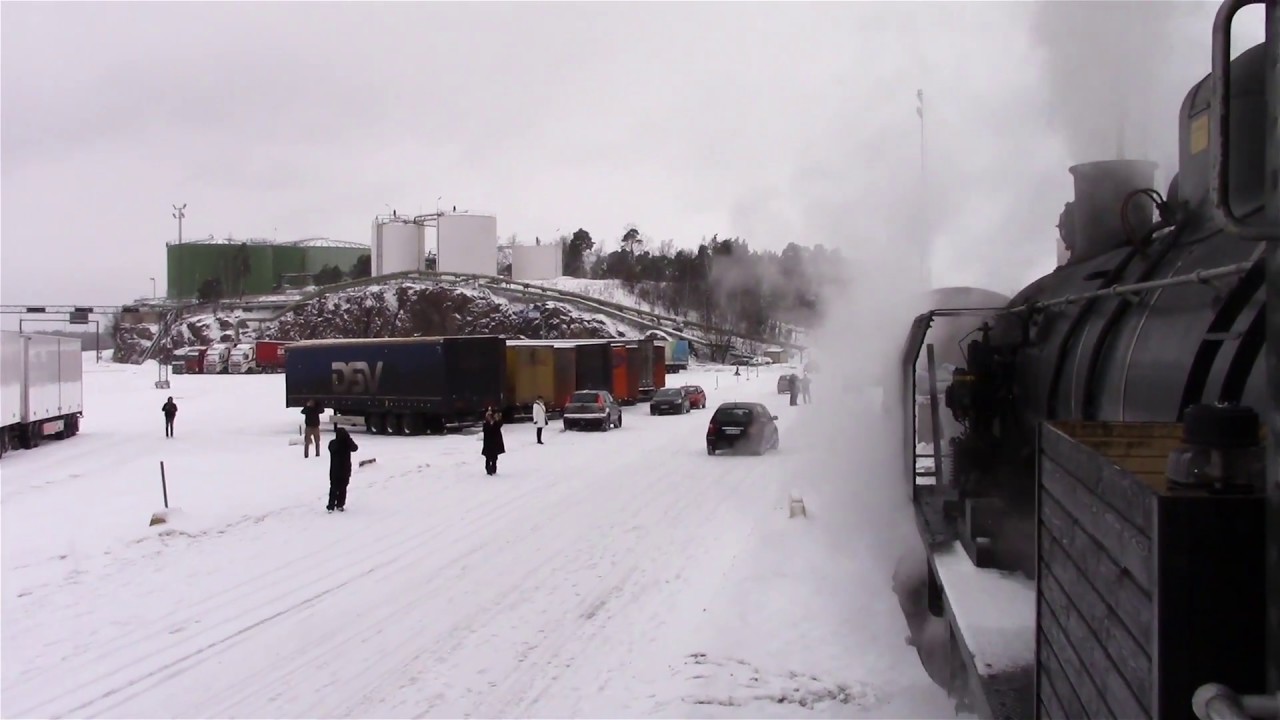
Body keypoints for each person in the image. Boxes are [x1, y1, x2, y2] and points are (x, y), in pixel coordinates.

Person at [327, 426, 359, 512]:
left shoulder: (333, 443)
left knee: (333, 487)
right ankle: (340, 504)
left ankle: (331, 505)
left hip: (334, 469)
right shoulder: (347, 443)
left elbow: (331, 449)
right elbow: (355, 448)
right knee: (343, 488)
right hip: (345, 469)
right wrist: (349, 439)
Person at [481, 407, 505, 475]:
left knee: (494, 457)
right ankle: (488, 469)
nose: (489, 417)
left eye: (490, 416)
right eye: (488, 416)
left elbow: (499, 425)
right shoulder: (486, 424)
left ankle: (494, 469)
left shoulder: (496, 423)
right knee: (488, 457)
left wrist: (498, 419)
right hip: (488, 443)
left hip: (495, 443)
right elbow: (486, 430)